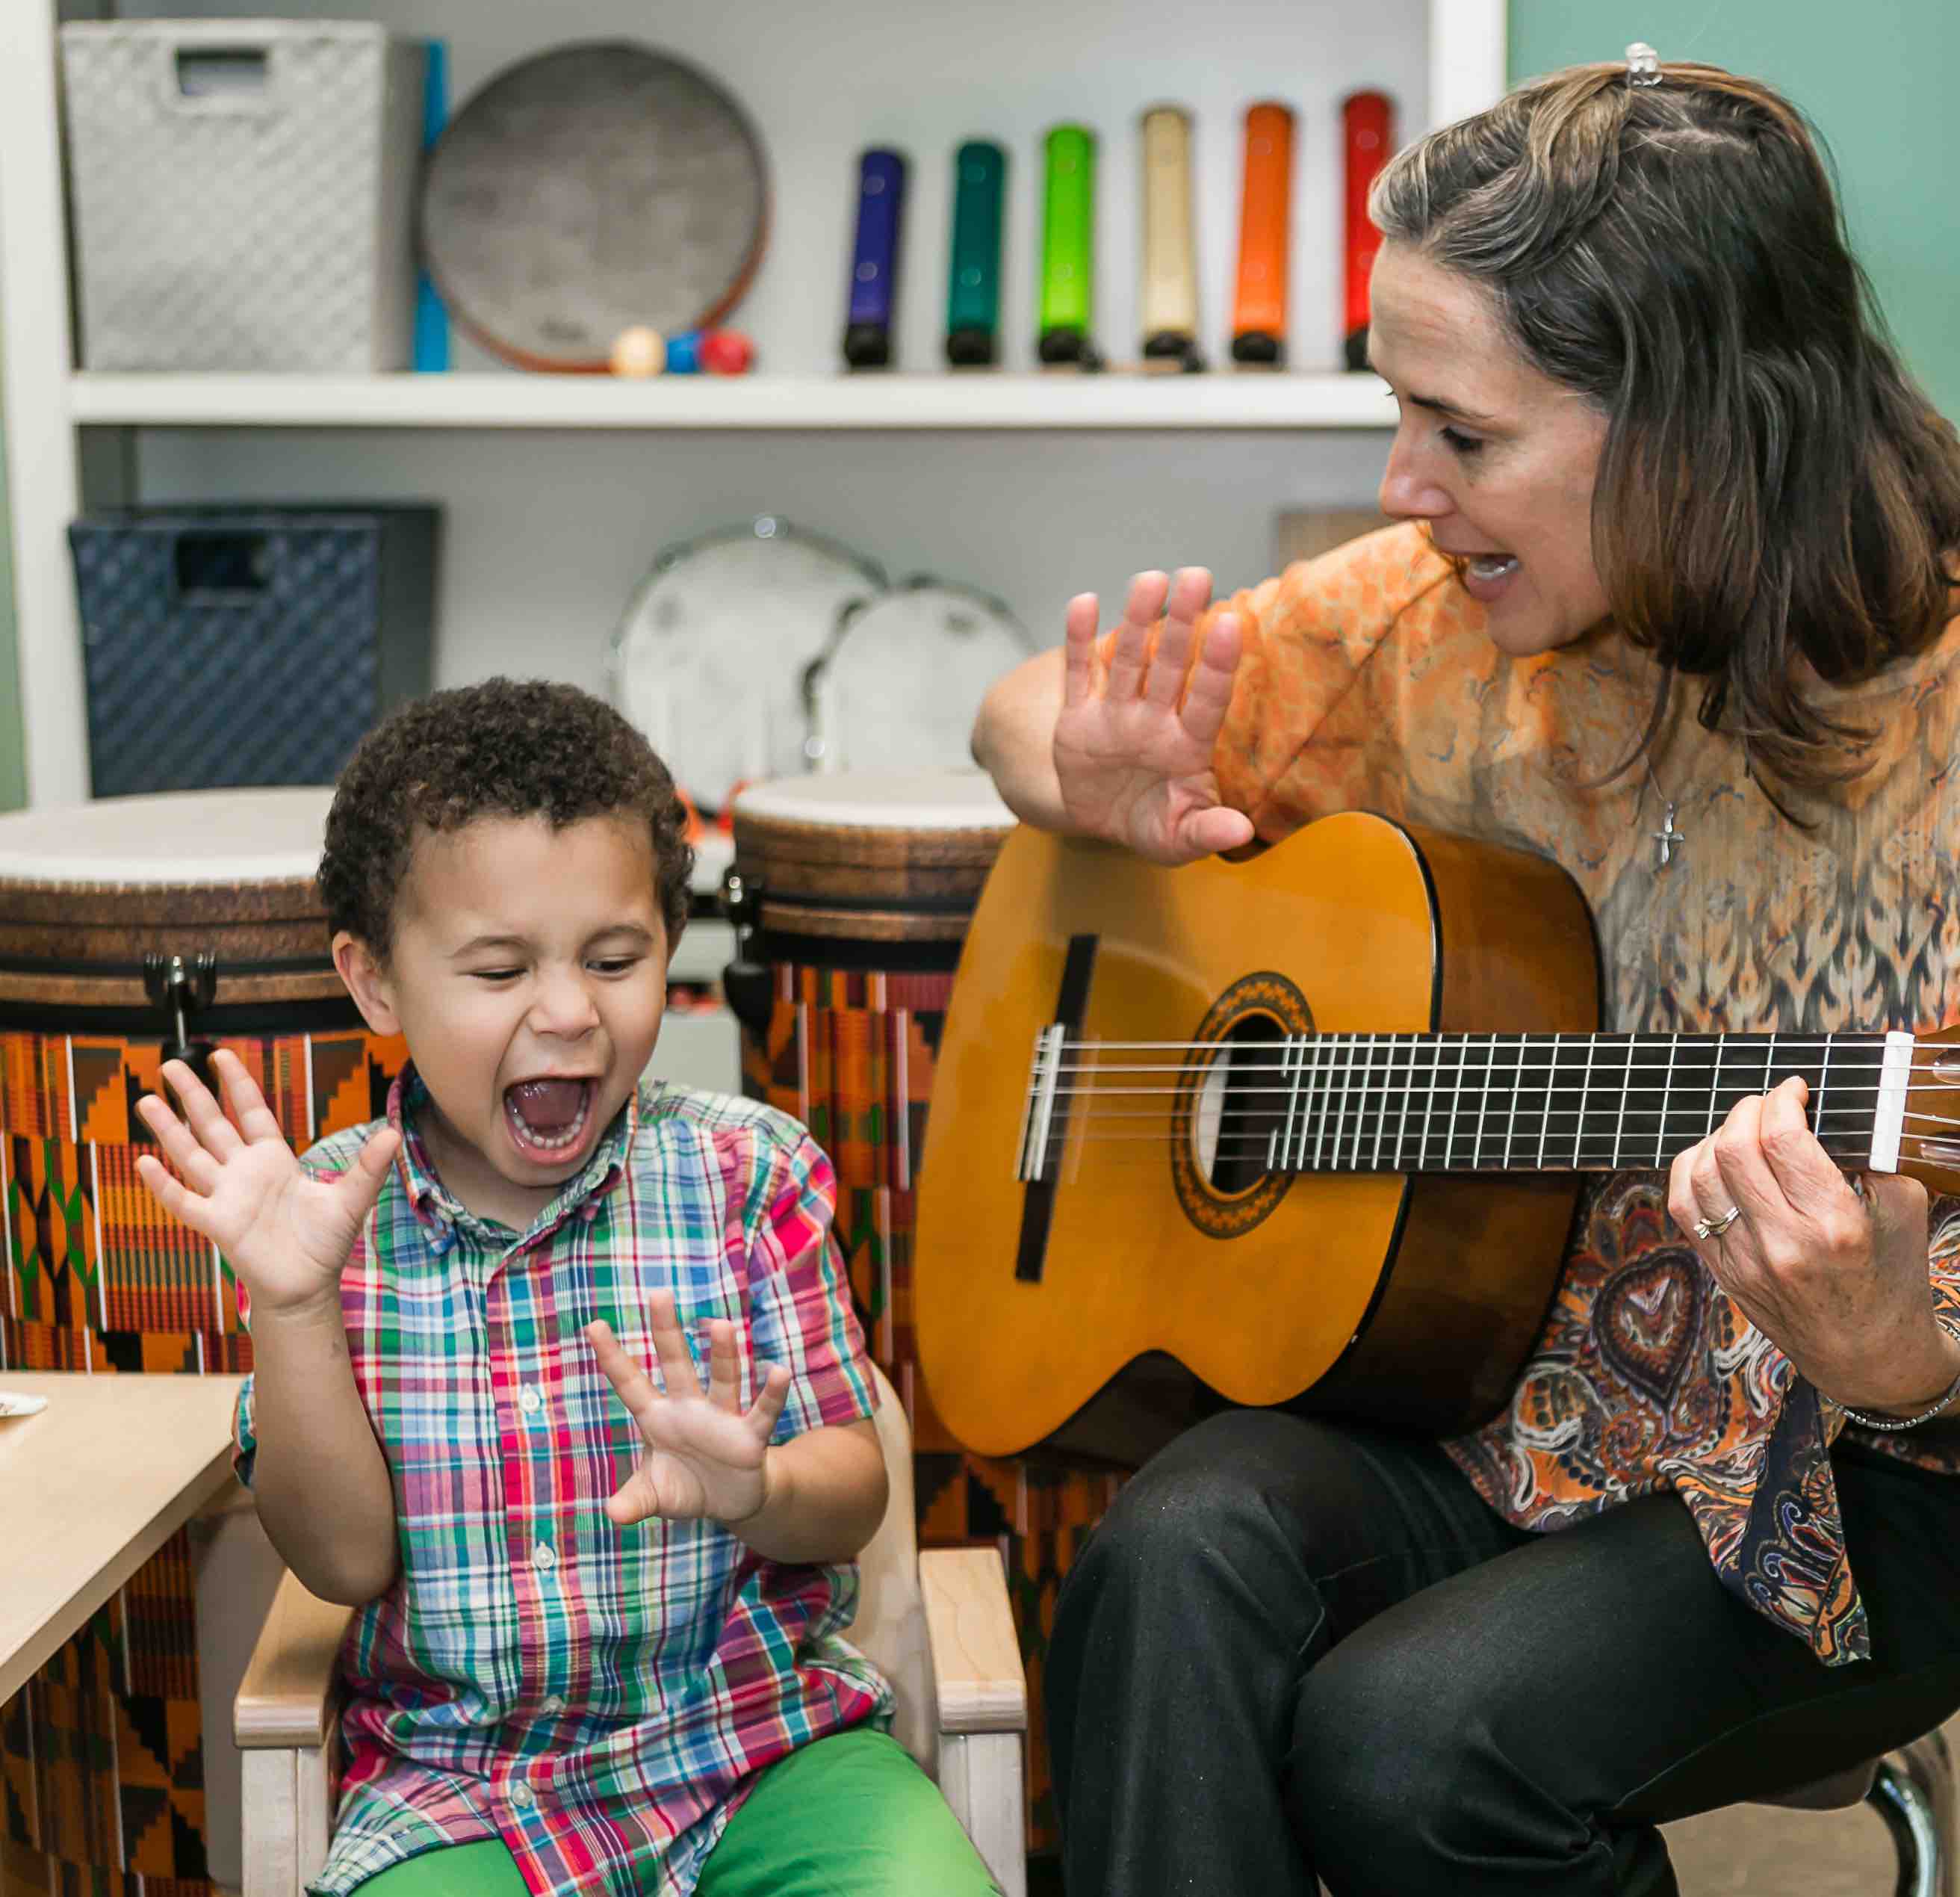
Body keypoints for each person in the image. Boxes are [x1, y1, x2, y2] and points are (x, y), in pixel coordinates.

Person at [973, 53, 1960, 1897]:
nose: (1399, 484)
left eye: (1463, 432)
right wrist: (1078, 769)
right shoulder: (1438, 617)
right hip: (1499, 1397)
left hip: (1869, 1473)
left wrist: (1905, 1358)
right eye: (1397, 411)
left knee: (1412, 1749)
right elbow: (1026, 712)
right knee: (1166, 1561)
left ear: (1690, 421)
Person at [134, 679, 997, 1897]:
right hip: (461, 1797)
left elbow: (851, 1491)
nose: (567, 1011)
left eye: (615, 957)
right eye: (497, 971)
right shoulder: (323, 1220)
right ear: (376, 984)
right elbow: (339, 1562)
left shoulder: (751, 1175)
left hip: (762, 1753)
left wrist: (756, 1487)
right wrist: (290, 1307)